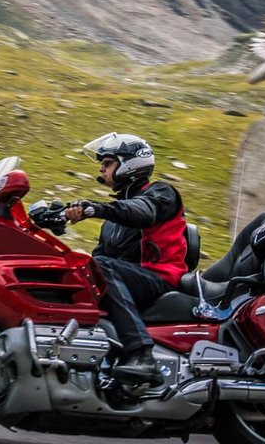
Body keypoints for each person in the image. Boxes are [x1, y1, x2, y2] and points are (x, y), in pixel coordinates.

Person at [63, 131, 188, 385]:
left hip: (159, 276)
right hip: (131, 279)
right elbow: (97, 259)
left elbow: (142, 211)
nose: (101, 168)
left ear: (129, 163)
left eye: (107, 163)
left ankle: (142, 354)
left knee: (102, 267)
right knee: (81, 270)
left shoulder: (161, 193)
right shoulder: (113, 219)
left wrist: (96, 208)